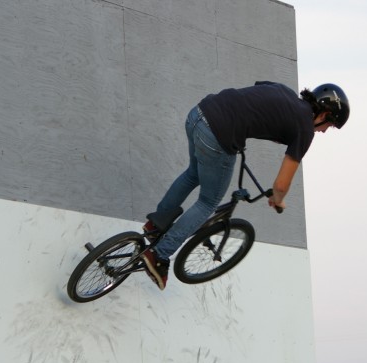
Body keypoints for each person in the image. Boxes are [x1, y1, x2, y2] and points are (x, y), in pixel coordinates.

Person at [141, 81, 350, 290]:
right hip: (218, 135)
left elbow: (256, 98)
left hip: (199, 113)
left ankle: (155, 226)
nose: (324, 132)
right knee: (208, 202)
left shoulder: (284, 91)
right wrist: (277, 200)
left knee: (193, 174)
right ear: (323, 115)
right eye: (329, 127)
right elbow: (281, 184)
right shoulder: (306, 129)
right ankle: (158, 254)